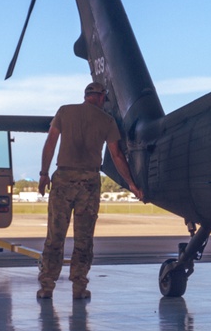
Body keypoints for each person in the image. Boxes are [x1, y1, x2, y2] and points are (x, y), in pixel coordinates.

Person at [37, 81, 142, 300]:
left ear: (86, 96)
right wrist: (131, 183)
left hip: (63, 179)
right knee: (83, 239)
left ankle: (47, 286)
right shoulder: (107, 121)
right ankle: (79, 287)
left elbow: (50, 143)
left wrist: (43, 174)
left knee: (55, 236)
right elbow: (117, 155)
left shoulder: (65, 111)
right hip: (89, 183)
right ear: (102, 97)